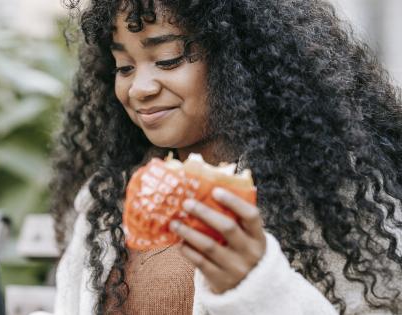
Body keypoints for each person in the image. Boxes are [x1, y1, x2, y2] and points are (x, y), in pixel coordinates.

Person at [46, 0, 402, 314]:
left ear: (237, 60)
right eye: (124, 66)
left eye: (167, 60)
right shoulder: (106, 201)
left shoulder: (323, 195)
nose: (140, 88)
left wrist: (257, 284)